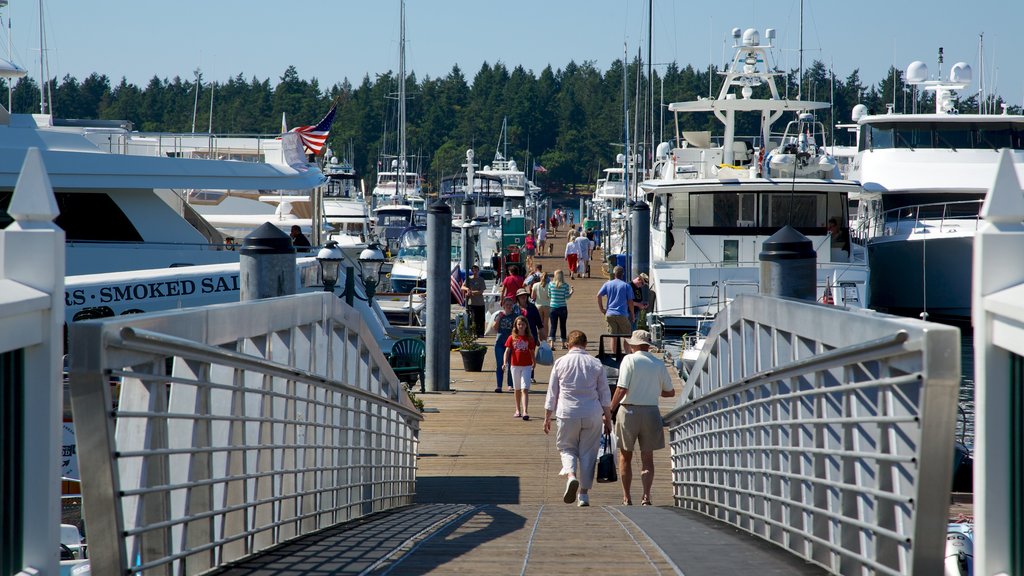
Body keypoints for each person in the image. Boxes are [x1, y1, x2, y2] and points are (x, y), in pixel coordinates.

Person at [544, 330, 613, 507]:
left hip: (567, 413)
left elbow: (552, 393)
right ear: (585, 344)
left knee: (567, 448)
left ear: (568, 344)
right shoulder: (595, 363)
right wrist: (608, 417)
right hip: (592, 413)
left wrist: (547, 417)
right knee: (589, 453)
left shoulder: (560, 363)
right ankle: (583, 495)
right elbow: (604, 393)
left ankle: (571, 476)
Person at [609, 329, 675, 506]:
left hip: (629, 411)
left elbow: (621, 388)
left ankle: (626, 497)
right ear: (648, 346)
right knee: (647, 458)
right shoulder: (658, 363)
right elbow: (670, 392)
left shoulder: (629, 360)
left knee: (625, 456)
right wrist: (653, 389)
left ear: (633, 345)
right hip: (651, 412)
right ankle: (646, 496)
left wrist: (609, 410)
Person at [504, 316, 537, 420]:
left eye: (522, 324)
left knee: (525, 388)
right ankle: (517, 409)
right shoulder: (512, 337)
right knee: (517, 389)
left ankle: (525, 411)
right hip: (515, 366)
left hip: (526, 366)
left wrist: (534, 362)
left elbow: (532, 351)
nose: (521, 326)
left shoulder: (529, 338)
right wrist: (504, 362)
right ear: (516, 326)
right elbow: (507, 351)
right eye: (519, 324)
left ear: (526, 325)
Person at [490, 297, 519, 392]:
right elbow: (494, 327)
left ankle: (510, 384)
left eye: (510, 305)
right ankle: (499, 386)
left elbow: (518, 330)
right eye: (507, 305)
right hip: (500, 342)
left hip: (511, 343)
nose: (509, 307)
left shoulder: (515, 316)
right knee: (500, 364)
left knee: (511, 364)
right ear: (503, 306)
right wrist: (499, 317)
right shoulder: (499, 314)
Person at [597, 265, 634, 335]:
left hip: (610, 314)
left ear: (614, 274)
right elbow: (630, 301)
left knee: (613, 337)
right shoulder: (626, 286)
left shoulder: (607, 284)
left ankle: (613, 346)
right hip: (622, 314)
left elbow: (599, 295)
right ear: (623, 274)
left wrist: (602, 309)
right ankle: (625, 346)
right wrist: (632, 314)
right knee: (627, 336)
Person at [547, 270, 573, 348]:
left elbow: (549, 295)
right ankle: (563, 344)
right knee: (563, 326)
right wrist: (571, 292)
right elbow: (566, 297)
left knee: (553, 326)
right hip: (562, 307)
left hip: (553, 307)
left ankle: (552, 344)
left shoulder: (550, 284)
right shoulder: (565, 285)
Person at [462, 264, 488, 337]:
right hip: (471, 303)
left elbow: (481, 291)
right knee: (473, 319)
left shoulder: (481, 279)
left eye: (476, 270)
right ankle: (474, 333)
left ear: (478, 271)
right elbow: (462, 287)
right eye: (473, 270)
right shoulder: (469, 279)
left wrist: (471, 292)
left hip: (480, 302)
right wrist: (467, 289)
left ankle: (480, 333)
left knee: (481, 319)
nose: (475, 271)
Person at [532, 272, 552, 341]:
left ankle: (540, 337)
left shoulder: (535, 285)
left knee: (539, 324)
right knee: (546, 323)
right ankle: (545, 339)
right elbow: (550, 296)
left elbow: (533, 296)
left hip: (538, 306)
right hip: (547, 306)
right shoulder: (550, 285)